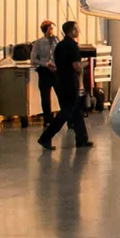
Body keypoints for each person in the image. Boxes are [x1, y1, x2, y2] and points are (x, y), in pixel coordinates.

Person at [37, 21, 92, 150]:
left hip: (60, 81)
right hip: (70, 83)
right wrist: (87, 63)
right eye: (77, 28)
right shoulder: (72, 46)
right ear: (72, 31)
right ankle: (45, 137)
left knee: (77, 111)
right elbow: (76, 67)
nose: (78, 30)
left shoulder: (60, 45)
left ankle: (82, 139)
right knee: (66, 112)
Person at [30, 20, 60, 120]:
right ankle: (47, 118)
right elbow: (33, 59)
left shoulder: (56, 41)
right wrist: (46, 64)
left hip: (56, 71)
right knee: (45, 96)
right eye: (51, 28)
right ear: (46, 30)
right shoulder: (38, 43)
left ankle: (64, 116)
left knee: (60, 94)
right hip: (45, 71)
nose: (52, 30)